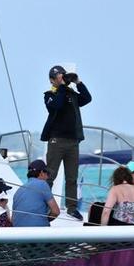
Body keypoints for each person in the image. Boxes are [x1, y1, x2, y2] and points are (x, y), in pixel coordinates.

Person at [41, 64, 92, 220]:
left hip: (73, 141)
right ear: (52, 80)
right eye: (59, 76)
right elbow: (56, 105)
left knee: (72, 177)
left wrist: (78, 82)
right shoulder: (49, 94)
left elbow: (87, 98)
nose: (63, 78)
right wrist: (62, 87)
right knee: (50, 175)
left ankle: (71, 207)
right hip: (56, 141)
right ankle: (44, 206)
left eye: (64, 75)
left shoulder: (71, 93)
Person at [12, 159, 61, 227]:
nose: (47, 177)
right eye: (47, 173)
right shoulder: (42, 184)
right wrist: (46, 220)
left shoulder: (19, 190)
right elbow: (56, 212)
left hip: (17, 232)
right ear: (41, 173)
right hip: (36, 232)